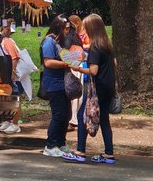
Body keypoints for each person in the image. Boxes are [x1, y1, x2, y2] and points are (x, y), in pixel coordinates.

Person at [63, 14, 115, 164]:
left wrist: (78, 69)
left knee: (82, 116)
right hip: (108, 87)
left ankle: (80, 151)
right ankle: (109, 153)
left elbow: (93, 70)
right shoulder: (107, 46)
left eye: (86, 28)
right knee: (104, 119)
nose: (84, 31)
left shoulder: (95, 48)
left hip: (97, 88)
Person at [40, 16, 77, 158]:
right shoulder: (49, 42)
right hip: (54, 84)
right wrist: (66, 64)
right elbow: (48, 63)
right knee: (58, 115)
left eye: (68, 28)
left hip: (62, 84)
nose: (67, 31)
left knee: (66, 115)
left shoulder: (58, 43)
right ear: (58, 27)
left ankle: (61, 143)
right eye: (65, 28)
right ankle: (50, 145)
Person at [0, 23, 23, 134]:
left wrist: (13, 72)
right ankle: (8, 120)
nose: (6, 30)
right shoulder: (5, 41)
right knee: (8, 98)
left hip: (13, 75)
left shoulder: (7, 41)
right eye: (5, 28)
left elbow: (14, 58)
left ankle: (15, 123)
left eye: (8, 28)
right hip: (8, 74)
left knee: (15, 98)